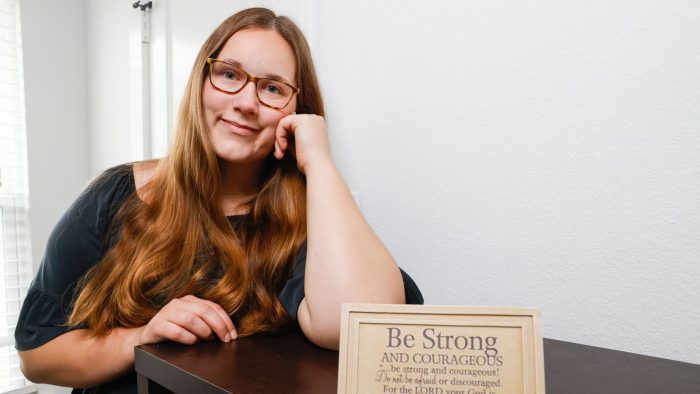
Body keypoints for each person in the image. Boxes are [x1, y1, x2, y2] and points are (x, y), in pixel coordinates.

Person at [14, 7, 423, 393]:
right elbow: (38, 356)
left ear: (297, 111)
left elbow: (366, 329)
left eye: (273, 88)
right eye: (229, 75)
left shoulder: (311, 219)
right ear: (200, 83)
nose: (246, 103)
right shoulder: (114, 194)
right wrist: (141, 336)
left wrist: (319, 160)